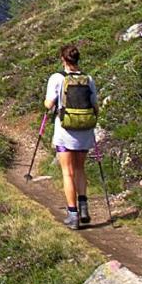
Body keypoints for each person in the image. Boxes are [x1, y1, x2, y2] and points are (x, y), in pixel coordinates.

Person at [43, 43, 99, 230]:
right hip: (84, 130)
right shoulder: (88, 79)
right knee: (80, 169)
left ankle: (73, 215)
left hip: (65, 131)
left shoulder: (57, 78)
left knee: (67, 172)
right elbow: (96, 107)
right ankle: (84, 208)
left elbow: (49, 104)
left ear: (63, 59)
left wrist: (47, 103)